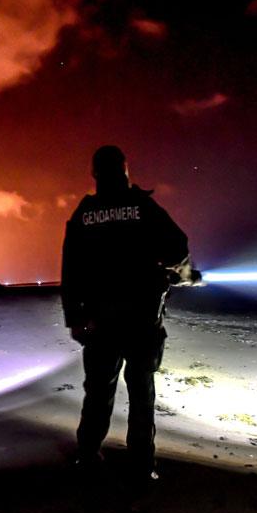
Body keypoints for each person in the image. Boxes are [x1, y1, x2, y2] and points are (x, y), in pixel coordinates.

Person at [61, 145, 197, 489]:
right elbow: (178, 247)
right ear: (125, 170)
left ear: (94, 173)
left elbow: (71, 269)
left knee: (98, 392)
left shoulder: (85, 212)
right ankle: (141, 465)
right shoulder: (142, 207)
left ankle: (87, 454)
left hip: (99, 322)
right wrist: (164, 266)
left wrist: (73, 317)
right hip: (141, 320)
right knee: (141, 393)